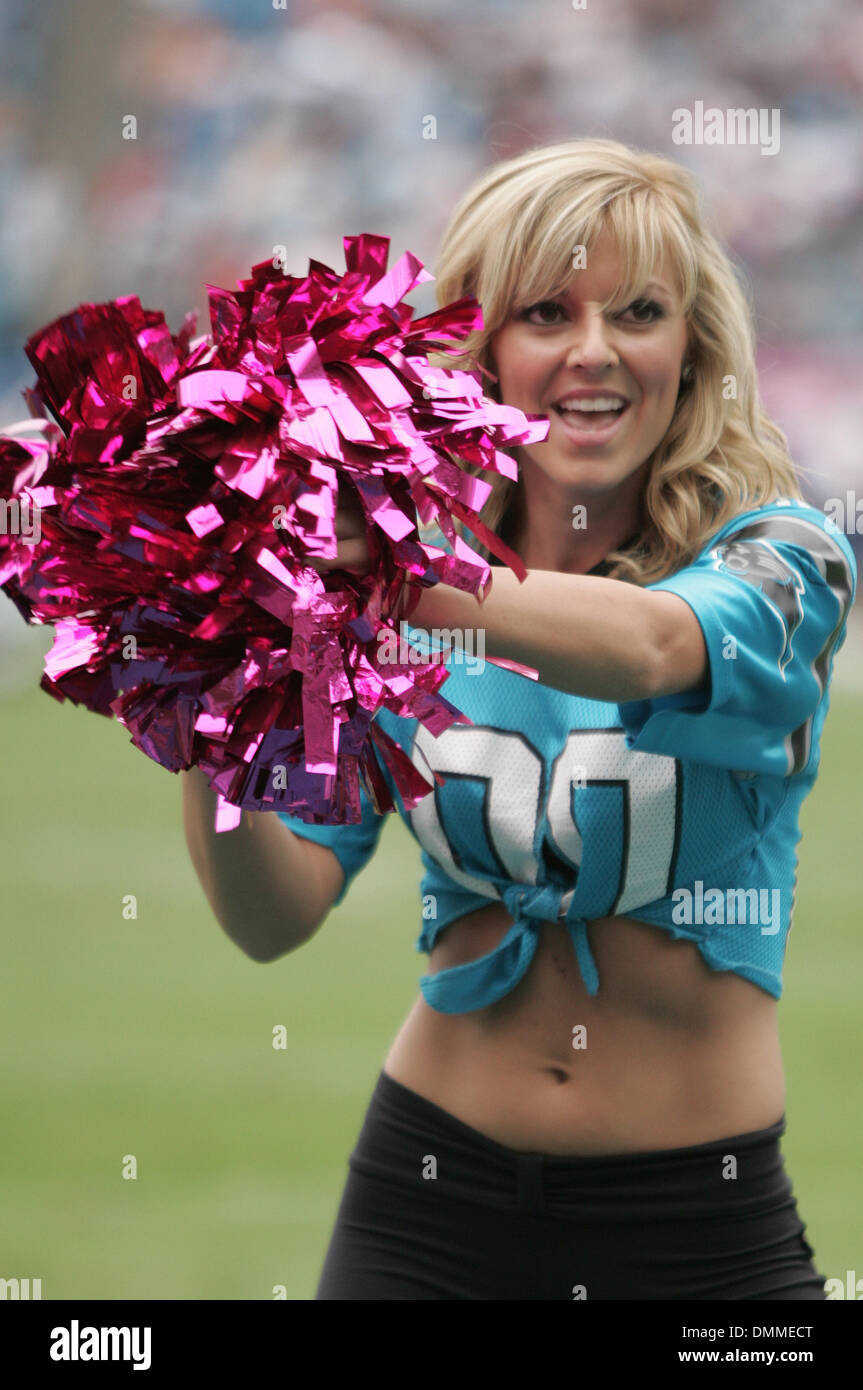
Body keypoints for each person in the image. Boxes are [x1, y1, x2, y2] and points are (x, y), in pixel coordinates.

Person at [182, 138, 856, 1300]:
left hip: (698, 1231)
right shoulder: (400, 576)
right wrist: (206, 710)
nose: (592, 351)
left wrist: (374, 578)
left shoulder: (786, 558)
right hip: (425, 1201)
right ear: (480, 349)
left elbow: (649, 644)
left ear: (688, 346)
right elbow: (271, 917)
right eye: (545, 311)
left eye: (637, 310)